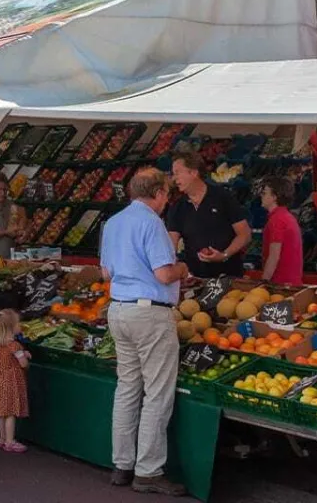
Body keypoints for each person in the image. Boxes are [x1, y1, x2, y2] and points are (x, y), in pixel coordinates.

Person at [101, 168, 189, 496]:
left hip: (119, 310)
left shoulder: (113, 222)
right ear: (157, 193)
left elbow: (105, 271)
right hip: (149, 314)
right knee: (156, 392)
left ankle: (121, 464)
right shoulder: (152, 223)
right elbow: (165, 274)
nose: (167, 199)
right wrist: (183, 268)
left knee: (127, 387)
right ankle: (149, 471)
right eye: (166, 192)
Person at [167, 152, 252, 278]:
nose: (174, 179)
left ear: (193, 173)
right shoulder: (178, 207)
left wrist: (224, 255)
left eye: (177, 172)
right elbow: (170, 245)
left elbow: (244, 234)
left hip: (228, 277)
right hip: (196, 280)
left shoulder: (223, 198)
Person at [0, 309, 30, 453]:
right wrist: (25, 357)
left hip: (0, 379)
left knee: (2, 411)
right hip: (11, 381)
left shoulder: (0, 344)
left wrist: (22, 353)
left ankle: (2, 438)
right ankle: (10, 441)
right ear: (12, 327)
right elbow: (23, 363)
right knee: (11, 412)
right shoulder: (15, 345)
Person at [260, 176, 304, 285]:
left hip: (280, 284)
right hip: (291, 281)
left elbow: (274, 255)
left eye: (265, 193)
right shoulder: (286, 216)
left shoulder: (277, 220)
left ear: (274, 197)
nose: (261, 196)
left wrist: (264, 282)